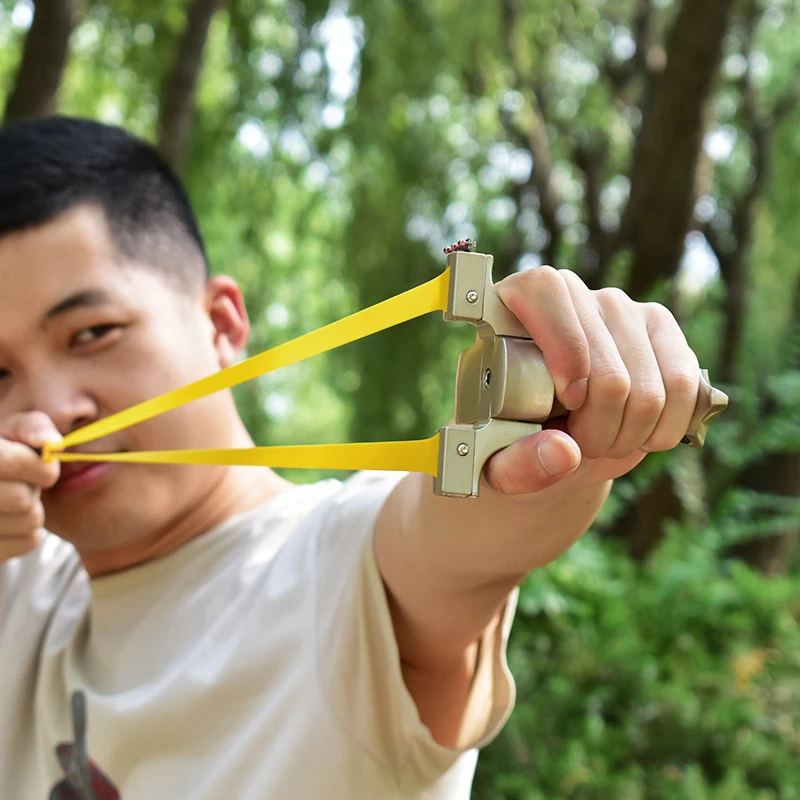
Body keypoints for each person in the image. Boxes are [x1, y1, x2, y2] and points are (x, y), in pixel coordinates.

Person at [0, 116, 702, 799]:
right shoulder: (20, 585)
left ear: (220, 324)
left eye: (92, 333)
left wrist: (554, 407)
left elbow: (458, 537)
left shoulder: (338, 569)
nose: (49, 410)